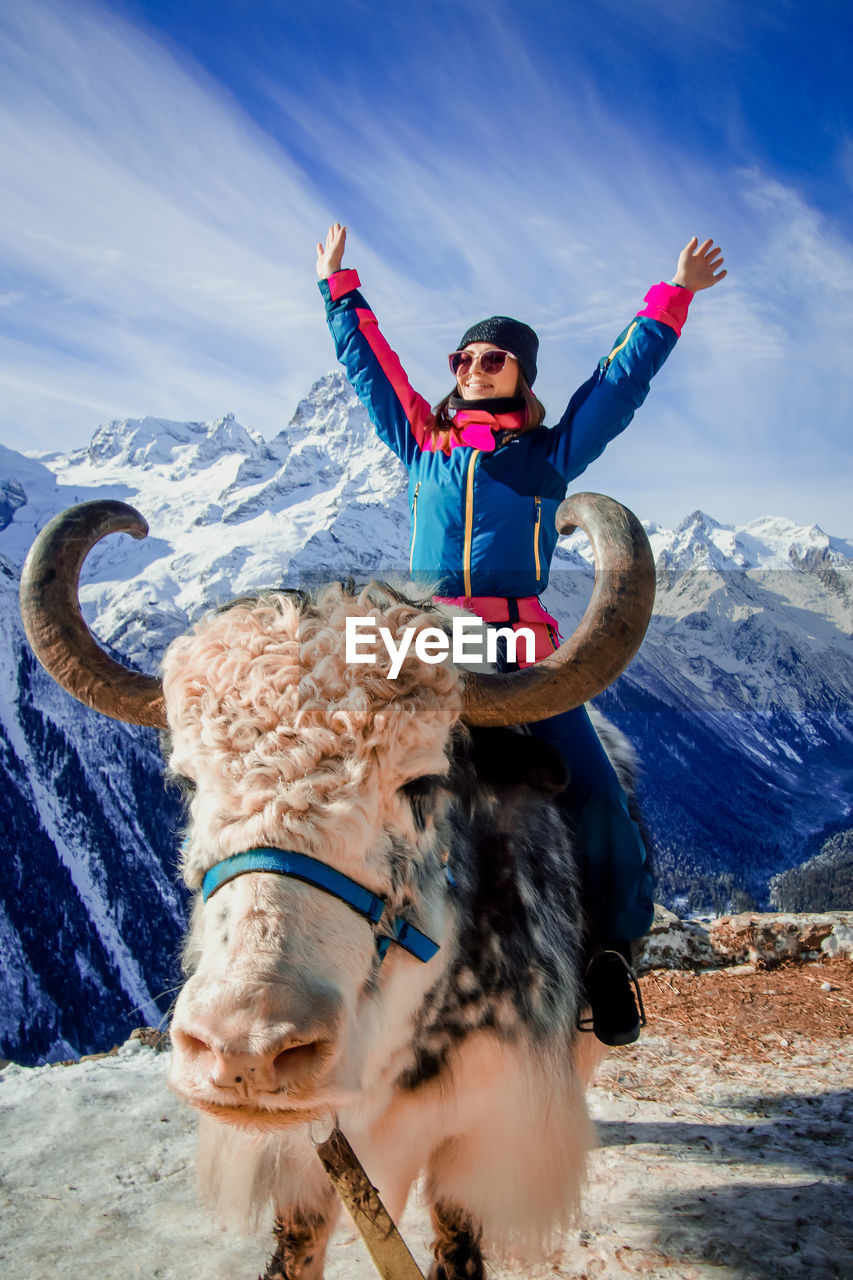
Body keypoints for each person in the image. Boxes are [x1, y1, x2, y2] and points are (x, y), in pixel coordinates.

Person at [316, 222, 726, 1045]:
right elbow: (370, 369)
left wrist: (672, 297)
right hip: (422, 644)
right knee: (332, 766)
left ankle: (609, 956)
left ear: (520, 376)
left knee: (595, 794)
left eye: (491, 359)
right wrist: (338, 287)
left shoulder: (547, 456)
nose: (471, 369)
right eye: (462, 359)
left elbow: (617, 384)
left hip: (516, 652)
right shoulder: (421, 444)